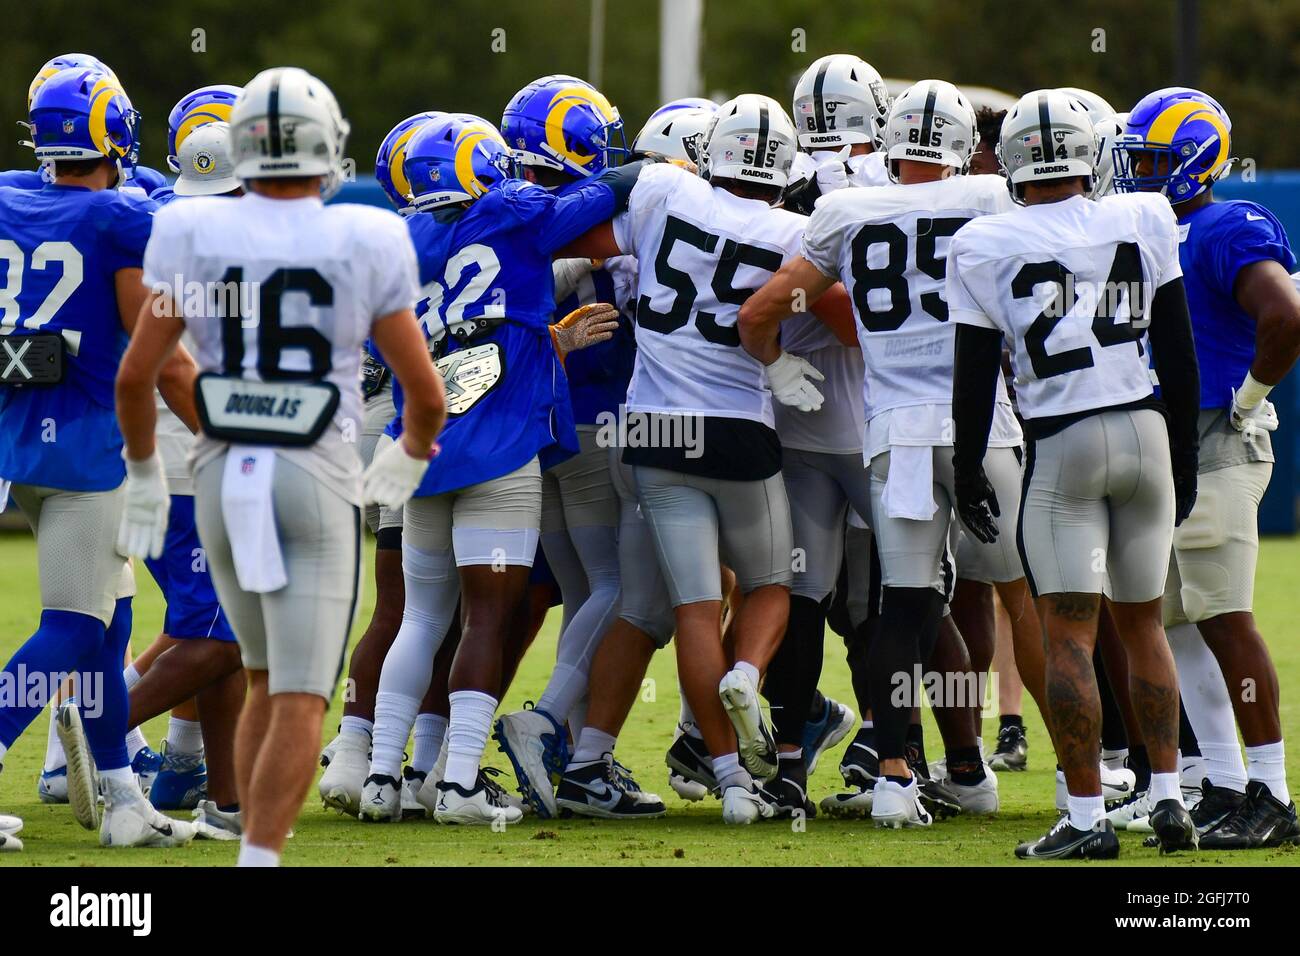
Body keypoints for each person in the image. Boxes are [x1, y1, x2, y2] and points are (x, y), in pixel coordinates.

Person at [114, 66, 446, 866]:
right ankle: (259, 857)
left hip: (225, 474)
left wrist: (147, 471)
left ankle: (238, 827)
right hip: (317, 472)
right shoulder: (365, 233)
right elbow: (424, 392)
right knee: (298, 691)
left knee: (261, 671)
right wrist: (409, 452)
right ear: (328, 145)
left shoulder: (191, 231)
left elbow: (141, 374)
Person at [742, 80, 1018, 827]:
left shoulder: (845, 210)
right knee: (1051, 601)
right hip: (982, 429)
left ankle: (893, 777)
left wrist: (772, 363)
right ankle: (1093, 779)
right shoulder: (994, 200)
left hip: (894, 431)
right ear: (967, 148)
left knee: (901, 606)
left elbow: (761, 309)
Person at [949, 89, 1200, 858]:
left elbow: (973, 378)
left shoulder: (984, 241)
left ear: (1015, 162)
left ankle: (1088, 818)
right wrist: (1183, 459)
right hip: (1147, 425)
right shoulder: (1146, 216)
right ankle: (1168, 797)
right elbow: (1180, 356)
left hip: (1063, 439)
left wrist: (966, 467)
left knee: (1068, 635)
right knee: (1143, 624)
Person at [0, 66, 198, 850]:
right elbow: (163, 360)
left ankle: (121, 797)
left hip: (23, 439)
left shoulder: (11, 193)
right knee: (73, 629)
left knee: (109, 627)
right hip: (90, 446)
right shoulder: (120, 218)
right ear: (115, 129)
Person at [1115, 87, 1300, 847]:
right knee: (1177, 619)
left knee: (1224, 617)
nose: (1139, 174)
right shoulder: (1143, 225)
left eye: (1156, 159)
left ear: (1197, 162)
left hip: (1218, 434)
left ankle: (1275, 794)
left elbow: (1285, 316)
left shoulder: (1227, 224)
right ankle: (1224, 780)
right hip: (1162, 438)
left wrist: (1251, 396)